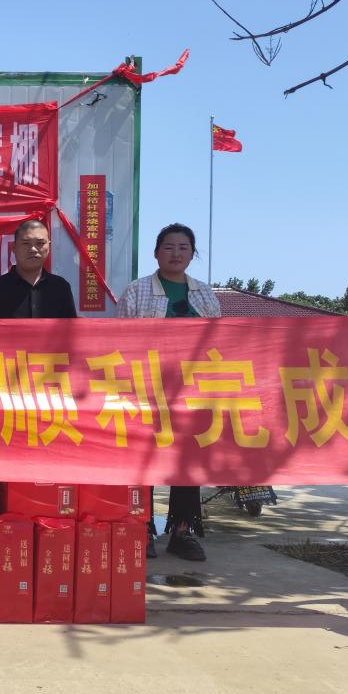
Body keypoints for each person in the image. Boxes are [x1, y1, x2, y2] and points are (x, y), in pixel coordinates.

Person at [117, 222, 221, 562]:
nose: (176, 253)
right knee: (143, 460)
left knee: (186, 462)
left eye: (183, 248)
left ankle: (182, 530)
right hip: (145, 390)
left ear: (192, 254)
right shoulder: (136, 291)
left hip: (192, 392)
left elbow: (220, 343)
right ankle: (142, 527)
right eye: (169, 247)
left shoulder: (205, 294)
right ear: (156, 253)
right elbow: (120, 342)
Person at [0, 218, 77, 319]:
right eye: (26, 243)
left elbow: (70, 329)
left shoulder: (61, 288)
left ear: (49, 247)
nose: (33, 249)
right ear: (14, 248)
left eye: (40, 243)